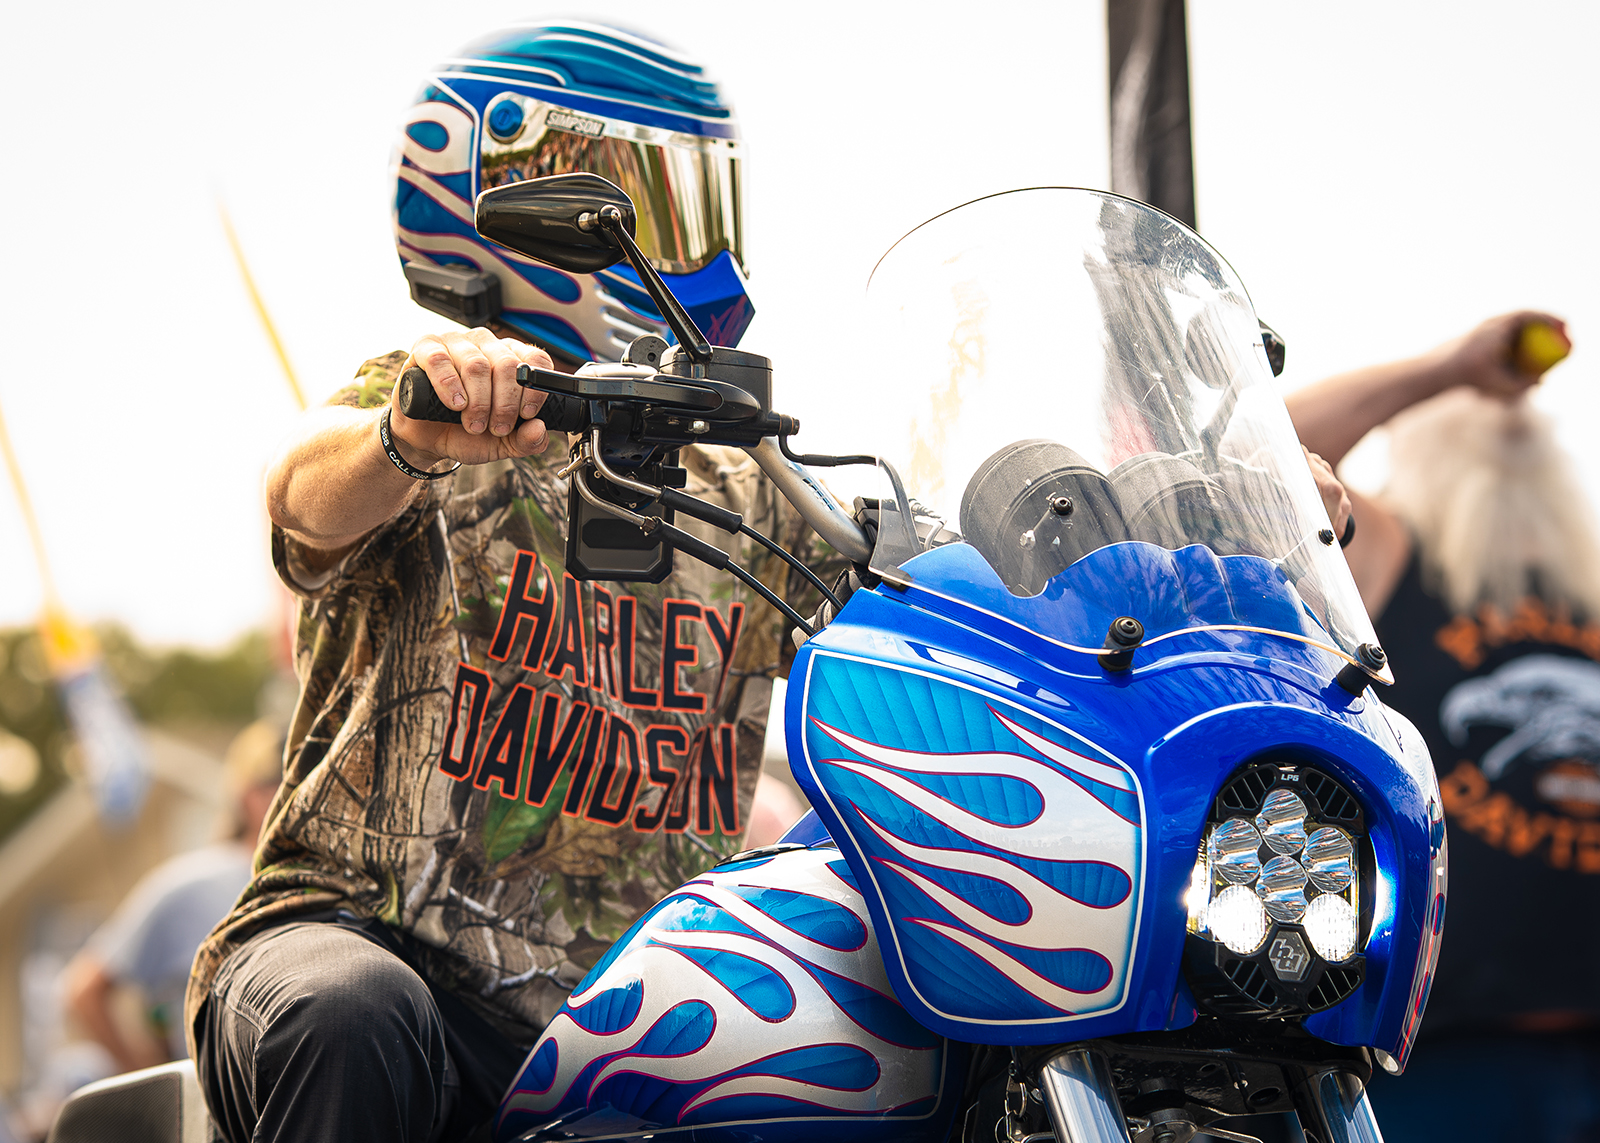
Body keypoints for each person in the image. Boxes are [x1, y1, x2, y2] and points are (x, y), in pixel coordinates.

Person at [185, 22, 827, 1143]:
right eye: (636, 207)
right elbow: (299, 500)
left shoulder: (754, 485)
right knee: (349, 1012)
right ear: (512, 205)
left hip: (624, 1017)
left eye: (689, 204)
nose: (682, 247)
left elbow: (915, 604)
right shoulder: (421, 398)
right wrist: (408, 436)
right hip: (369, 951)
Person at [1287, 311, 1600, 1140]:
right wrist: (1449, 369)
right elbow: (1263, 458)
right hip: (1443, 1056)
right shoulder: (1396, 557)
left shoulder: (1591, 593)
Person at [62, 720, 281, 1074]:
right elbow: (84, 991)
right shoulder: (190, 884)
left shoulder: (336, 884)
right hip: (216, 1114)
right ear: (247, 794)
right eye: (279, 780)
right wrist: (148, 1078)